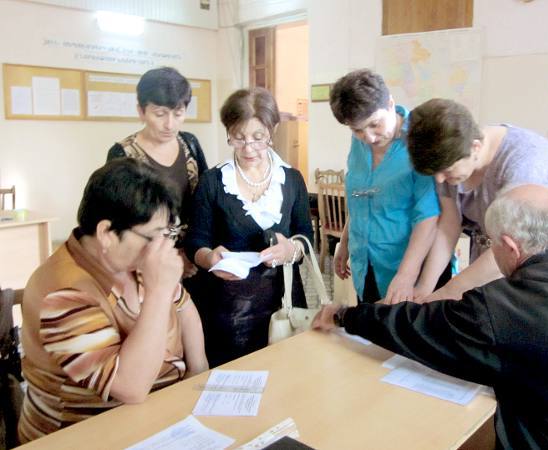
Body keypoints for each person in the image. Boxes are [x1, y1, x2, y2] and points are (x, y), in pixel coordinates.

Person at [313, 184, 548, 449]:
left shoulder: (507, 307)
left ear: (511, 247)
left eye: (489, 242)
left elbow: (416, 327)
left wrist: (344, 315)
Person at [18, 159, 208, 443]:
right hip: (86, 432)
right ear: (106, 233)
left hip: (160, 412)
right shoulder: (63, 294)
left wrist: (198, 373)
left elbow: (183, 305)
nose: (163, 246)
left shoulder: (130, 259)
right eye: (154, 236)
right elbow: (130, 387)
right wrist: (158, 292)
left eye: (167, 234)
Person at [406, 98, 548, 301]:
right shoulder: (450, 160)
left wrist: (446, 293)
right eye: (434, 173)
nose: (439, 179)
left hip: (547, 277)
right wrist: (425, 290)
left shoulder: (525, 161)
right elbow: (449, 226)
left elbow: (514, 246)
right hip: (493, 268)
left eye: (446, 171)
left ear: (475, 146)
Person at [184, 87, 312, 367]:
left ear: (272, 131)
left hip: (283, 303)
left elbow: (305, 236)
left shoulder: (291, 179)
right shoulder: (213, 181)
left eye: (258, 137)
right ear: (228, 133)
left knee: (285, 372)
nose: (249, 148)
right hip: (228, 309)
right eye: (239, 138)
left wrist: (291, 250)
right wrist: (209, 258)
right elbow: (195, 241)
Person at [328, 69, 441, 304]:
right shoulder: (359, 143)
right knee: (369, 326)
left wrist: (406, 275)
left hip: (408, 270)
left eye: (375, 124)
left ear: (390, 104)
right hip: (366, 264)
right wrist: (345, 243)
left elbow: (428, 216)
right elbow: (360, 198)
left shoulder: (419, 139)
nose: (368, 137)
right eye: (357, 130)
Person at [106, 66, 208, 279]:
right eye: (160, 114)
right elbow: (121, 223)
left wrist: (194, 252)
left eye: (178, 113)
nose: (169, 124)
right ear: (141, 111)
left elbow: (204, 203)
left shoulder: (190, 144)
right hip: (147, 265)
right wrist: (172, 258)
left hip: (195, 259)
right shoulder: (123, 154)